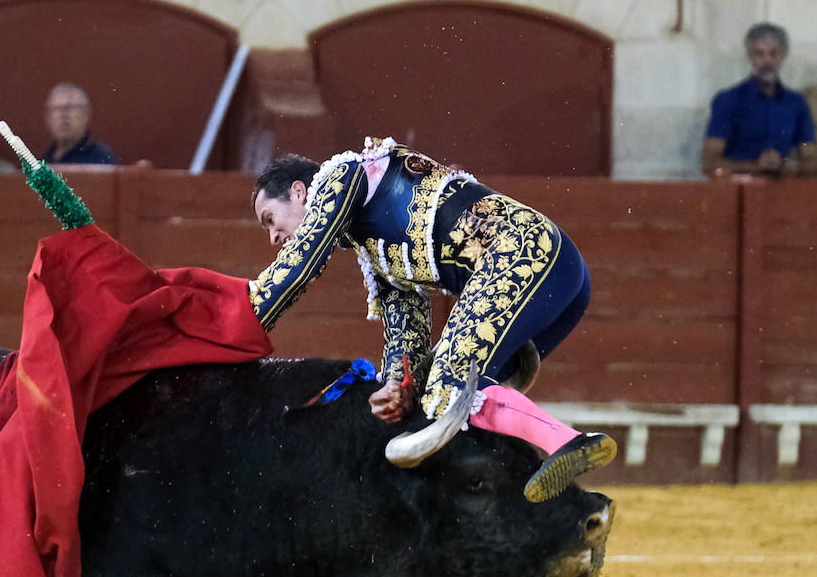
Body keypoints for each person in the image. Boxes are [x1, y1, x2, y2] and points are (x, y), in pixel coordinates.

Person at [250, 140, 615, 501]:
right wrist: (396, 390)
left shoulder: (343, 176)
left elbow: (301, 262)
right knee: (441, 397)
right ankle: (537, 499)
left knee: (451, 384)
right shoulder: (373, 248)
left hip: (524, 255)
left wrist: (248, 313)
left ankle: (570, 443)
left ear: (299, 192)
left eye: (271, 220)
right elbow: (406, 339)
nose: (273, 237)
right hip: (559, 274)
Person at [702, 22, 817, 178]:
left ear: (783, 55)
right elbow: (709, 161)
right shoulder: (729, 100)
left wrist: (786, 165)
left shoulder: (796, 103)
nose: (767, 61)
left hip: (782, 192)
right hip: (738, 192)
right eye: (759, 54)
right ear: (750, 56)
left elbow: (813, 161)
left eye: (773, 54)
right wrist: (756, 166)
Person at [39, 82, 118, 166]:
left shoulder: (101, 158)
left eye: (70, 107)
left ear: (86, 114)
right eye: (57, 108)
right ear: (47, 117)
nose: (63, 115)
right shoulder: (44, 161)